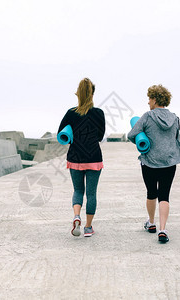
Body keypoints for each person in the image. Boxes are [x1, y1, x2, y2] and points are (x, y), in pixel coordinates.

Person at [128, 84, 180, 243]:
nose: (148, 102)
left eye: (149, 98)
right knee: (164, 195)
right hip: (169, 163)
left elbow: (132, 134)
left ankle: (151, 223)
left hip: (150, 162)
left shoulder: (147, 116)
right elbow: (175, 139)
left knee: (151, 193)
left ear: (155, 99)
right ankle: (163, 230)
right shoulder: (175, 118)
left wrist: (141, 140)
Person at [58, 78, 105, 237]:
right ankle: (88, 227)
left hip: (75, 157)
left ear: (78, 94)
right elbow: (100, 136)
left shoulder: (71, 113)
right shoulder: (98, 113)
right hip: (93, 157)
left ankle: (76, 216)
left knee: (78, 190)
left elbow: (62, 134)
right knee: (91, 194)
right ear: (92, 94)